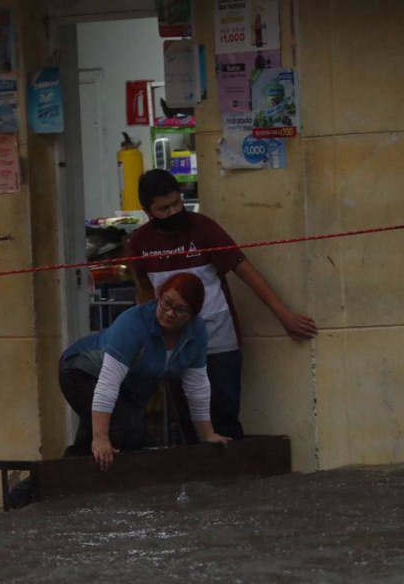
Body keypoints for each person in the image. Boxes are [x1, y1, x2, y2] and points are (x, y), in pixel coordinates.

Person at [125, 169, 318, 441]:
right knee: (190, 426)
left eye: (177, 203)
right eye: (164, 209)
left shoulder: (203, 227)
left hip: (219, 339)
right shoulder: (139, 242)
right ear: (148, 211)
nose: (173, 212)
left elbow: (244, 269)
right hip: (174, 345)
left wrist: (284, 315)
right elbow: (144, 291)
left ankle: (233, 467)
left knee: (225, 416)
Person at [61, 273, 230, 471]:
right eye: (166, 303)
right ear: (159, 297)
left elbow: (197, 386)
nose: (170, 313)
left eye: (180, 309)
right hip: (81, 369)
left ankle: (64, 475)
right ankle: (93, 477)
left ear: (193, 314)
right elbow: (108, 383)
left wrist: (207, 434)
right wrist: (101, 437)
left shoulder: (196, 332)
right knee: (126, 430)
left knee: (124, 431)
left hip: (126, 384)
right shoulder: (133, 322)